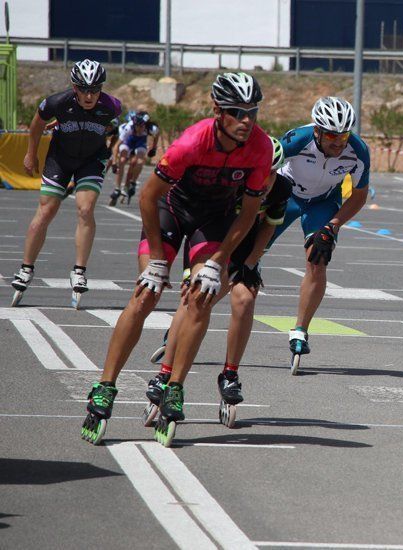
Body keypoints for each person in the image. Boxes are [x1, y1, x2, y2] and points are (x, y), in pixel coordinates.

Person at [80, 72, 272, 446]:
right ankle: (105, 387)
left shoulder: (261, 148)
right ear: (218, 111)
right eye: (237, 112)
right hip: (171, 209)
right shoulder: (192, 142)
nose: (246, 120)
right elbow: (149, 198)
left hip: (214, 218)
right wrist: (156, 259)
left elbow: (248, 214)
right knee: (145, 295)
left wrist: (218, 261)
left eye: (252, 111)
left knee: (200, 296)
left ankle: (175, 387)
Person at [143, 136, 288, 426]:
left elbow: (267, 229)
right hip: (211, 240)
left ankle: (230, 374)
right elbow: (197, 219)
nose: (267, 180)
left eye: (273, 173)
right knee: (194, 299)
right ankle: (165, 374)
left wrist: (250, 264)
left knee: (246, 299)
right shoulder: (231, 185)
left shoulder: (282, 189)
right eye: (264, 172)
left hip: (242, 247)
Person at [11, 60, 121, 308]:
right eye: (84, 89)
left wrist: (110, 148)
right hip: (59, 158)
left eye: (95, 89)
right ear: (74, 87)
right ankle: (26, 268)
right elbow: (37, 124)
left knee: (85, 208)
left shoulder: (112, 105)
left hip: (91, 160)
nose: (90, 95)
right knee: (47, 210)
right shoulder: (57, 102)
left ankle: (79, 270)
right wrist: (31, 154)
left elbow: (113, 126)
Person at [278, 97, 371, 373]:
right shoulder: (297, 139)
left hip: (322, 202)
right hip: (287, 193)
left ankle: (299, 331)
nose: (338, 142)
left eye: (344, 135)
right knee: (244, 257)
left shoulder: (358, 151)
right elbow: (263, 169)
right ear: (317, 130)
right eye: (331, 135)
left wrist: (334, 224)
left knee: (318, 258)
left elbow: (359, 196)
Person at [110, 108, 161, 206]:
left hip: (140, 142)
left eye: (141, 126)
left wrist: (154, 148)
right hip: (128, 141)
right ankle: (117, 188)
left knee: (140, 162)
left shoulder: (152, 128)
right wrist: (114, 162)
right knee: (122, 160)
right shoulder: (128, 128)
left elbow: (157, 135)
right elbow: (116, 146)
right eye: (136, 125)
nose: (138, 128)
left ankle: (133, 182)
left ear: (145, 124)